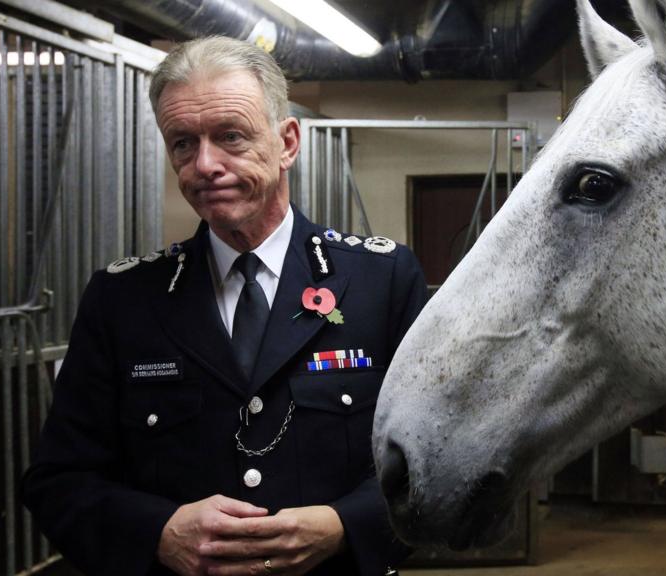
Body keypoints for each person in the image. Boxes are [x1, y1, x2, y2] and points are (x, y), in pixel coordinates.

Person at [23, 36, 427, 576]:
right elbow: (59, 479)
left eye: (230, 136)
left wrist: (343, 525)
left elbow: (430, 464)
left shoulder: (382, 281)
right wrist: (158, 533)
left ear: (287, 143)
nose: (205, 164)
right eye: (183, 143)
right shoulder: (123, 300)